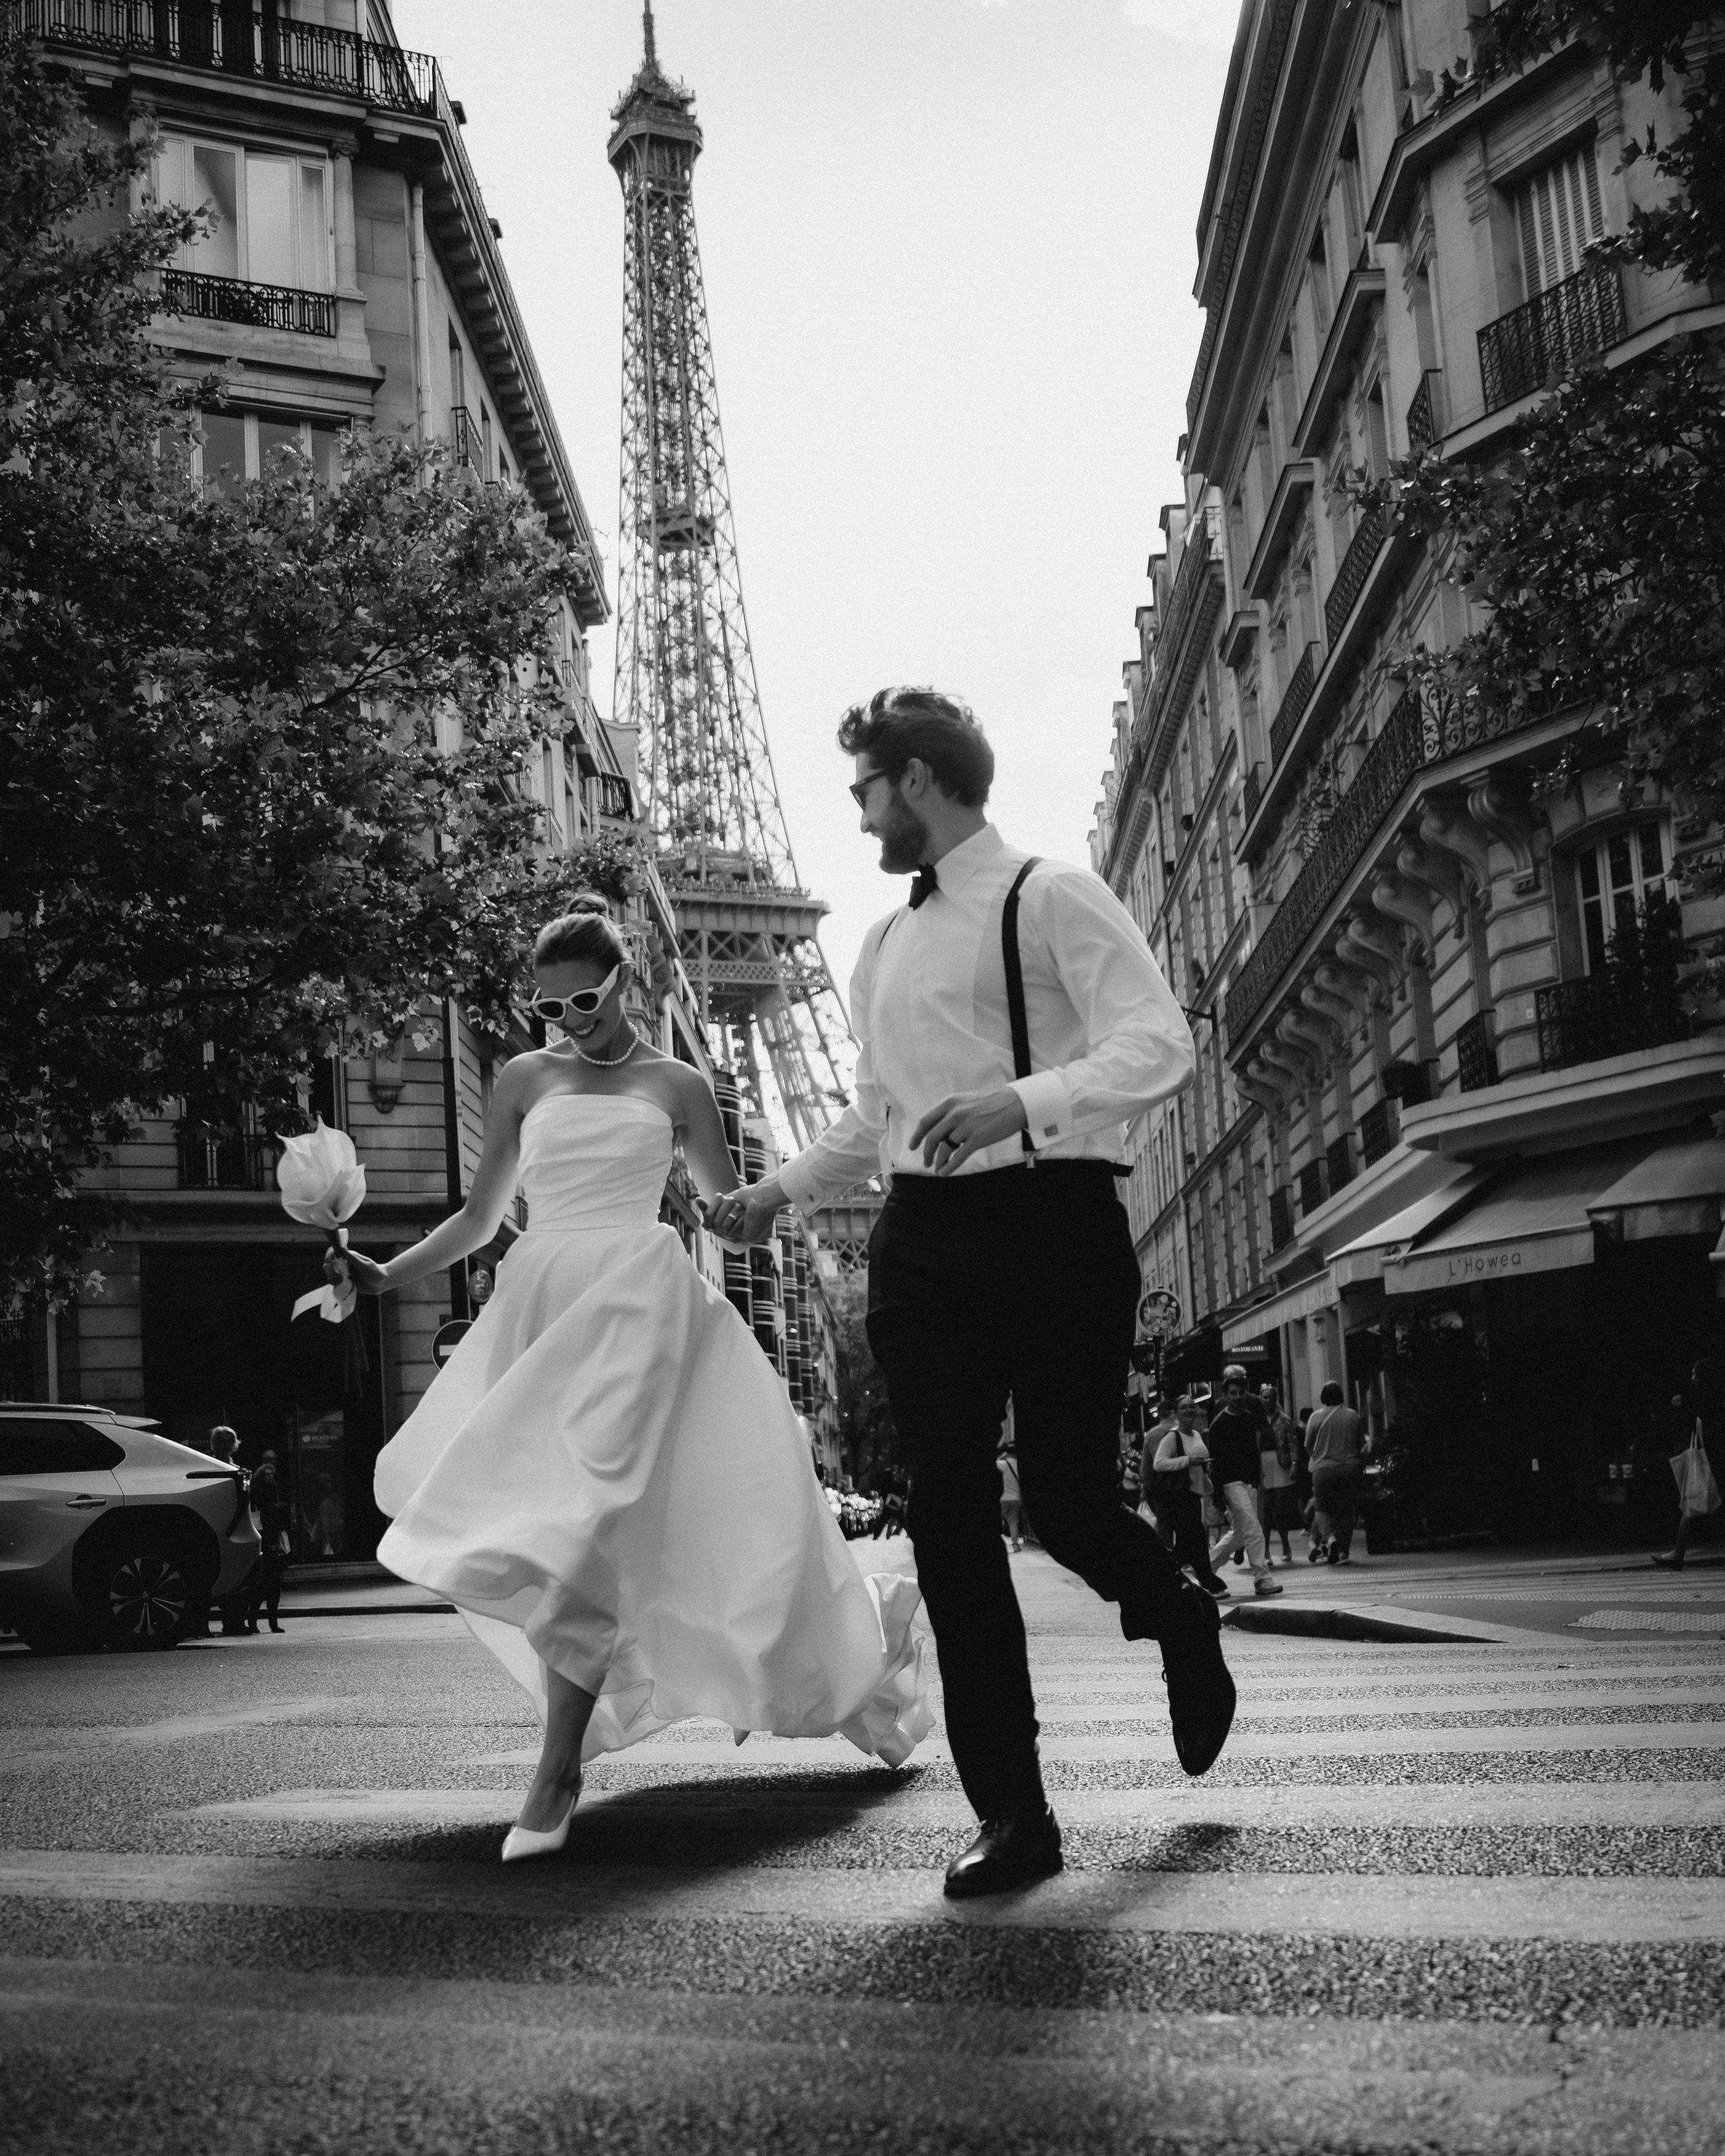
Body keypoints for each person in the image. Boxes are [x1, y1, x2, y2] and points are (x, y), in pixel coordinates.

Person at [710, 685, 1233, 1900]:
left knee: (1062, 1495)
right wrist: (777, 1189)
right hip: (924, 1240)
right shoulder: (884, 942)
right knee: (948, 1513)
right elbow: (877, 1115)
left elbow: (1161, 1041)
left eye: (867, 789)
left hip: (1054, 1218)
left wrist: (1026, 1099)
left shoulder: (1050, 891)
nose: (858, 815)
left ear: (922, 779)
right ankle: (1014, 1809)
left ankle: (1174, 1604)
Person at [343, 906, 931, 1864]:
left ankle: (557, 1767)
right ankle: (853, 1631)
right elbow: (482, 1211)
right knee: (553, 1521)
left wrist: (760, 1211)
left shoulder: (679, 1082)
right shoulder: (521, 1078)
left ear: (625, 980)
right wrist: (385, 1273)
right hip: (543, 1304)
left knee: (585, 1519)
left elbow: (724, 1210)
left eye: (585, 997)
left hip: (639, 1309)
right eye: (548, 1003)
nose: (567, 1017)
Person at [1204, 1365, 1283, 1596]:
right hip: (1231, 1483)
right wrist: (1219, 1492)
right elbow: (1216, 1460)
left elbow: (1253, 1449)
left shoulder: (1248, 1418)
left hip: (1248, 1481)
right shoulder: (1219, 1424)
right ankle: (1263, 1579)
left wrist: (1257, 1475)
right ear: (1225, 1395)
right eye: (1233, 1393)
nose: (1237, 1397)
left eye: (1240, 1393)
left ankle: (1207, 1569)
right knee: (1254, 1529)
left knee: (1240, 1533)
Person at [1149, 1395, 1230, 1597]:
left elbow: (1198, 1463)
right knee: (1196, 1540)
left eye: (1192, 1407)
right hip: (1178, 1497)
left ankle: (1161, 1577)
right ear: (1176, 1413)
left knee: (1190, 1543)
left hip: (1194, 1494)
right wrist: (1187, 1461)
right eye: (1184, 1408)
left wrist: (1205, 1466)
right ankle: (1210, 1583)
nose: (1189, 1411)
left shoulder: (1197, 1435)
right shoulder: (1171, 1437)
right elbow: (1158, 1464)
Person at [1654, 1357, 1723, 1568]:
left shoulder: (1700, 1401)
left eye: (1694, 1373)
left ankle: (1678, 1555)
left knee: (1692, 1505)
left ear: (1702, 1378)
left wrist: (1676, 1405)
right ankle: (1677, 1554)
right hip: (1713, 1459)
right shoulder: (1712, 1399)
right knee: (1692, 1506)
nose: (1691, 1377)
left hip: (1709, 1460)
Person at [1305, 1380, 1367, 1562]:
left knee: (1322, 1510)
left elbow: (1308, 1445)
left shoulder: (1315, 1417)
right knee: (1346, 1511)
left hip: (1323, 1470)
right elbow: (1361, 1444)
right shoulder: (1353, 1415)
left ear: (1323, 1396)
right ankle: (1344, 1553)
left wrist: (1318, 1457)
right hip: (1349, 1469)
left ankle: (1330, 1539)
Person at [247, 1449, 290, 1634]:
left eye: (272, 1474)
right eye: (267, 1474)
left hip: (271, 1543)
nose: (271, 1476)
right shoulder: (260, 1497)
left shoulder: (274, 1495)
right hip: (264, 1545)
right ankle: (256, 1621)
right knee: (263, 1587)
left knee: (272, 1587)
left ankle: (270, 1622)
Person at [1257, 1384, 1298, 1566]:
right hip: (1263, 1465)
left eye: (1271, 1397)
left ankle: (1285, 1546)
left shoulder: (1285, 1420)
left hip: (1280, 1463)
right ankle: (1265, 1552)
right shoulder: (1256, 1420)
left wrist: (1295, 1463)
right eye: (1265, 1397)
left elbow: (1293, 1442)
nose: (1268, 1400)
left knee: (1280, 1510)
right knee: (1264, 1511)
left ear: (1276, 1399)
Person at [999, 1445, 1025, 1551]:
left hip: (1003, 1498)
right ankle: (1015, 1546)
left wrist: (1002, 1455)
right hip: (1016, 1499)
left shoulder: (1003, 1464)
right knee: (1013, 1523)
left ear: (1008, 1453)